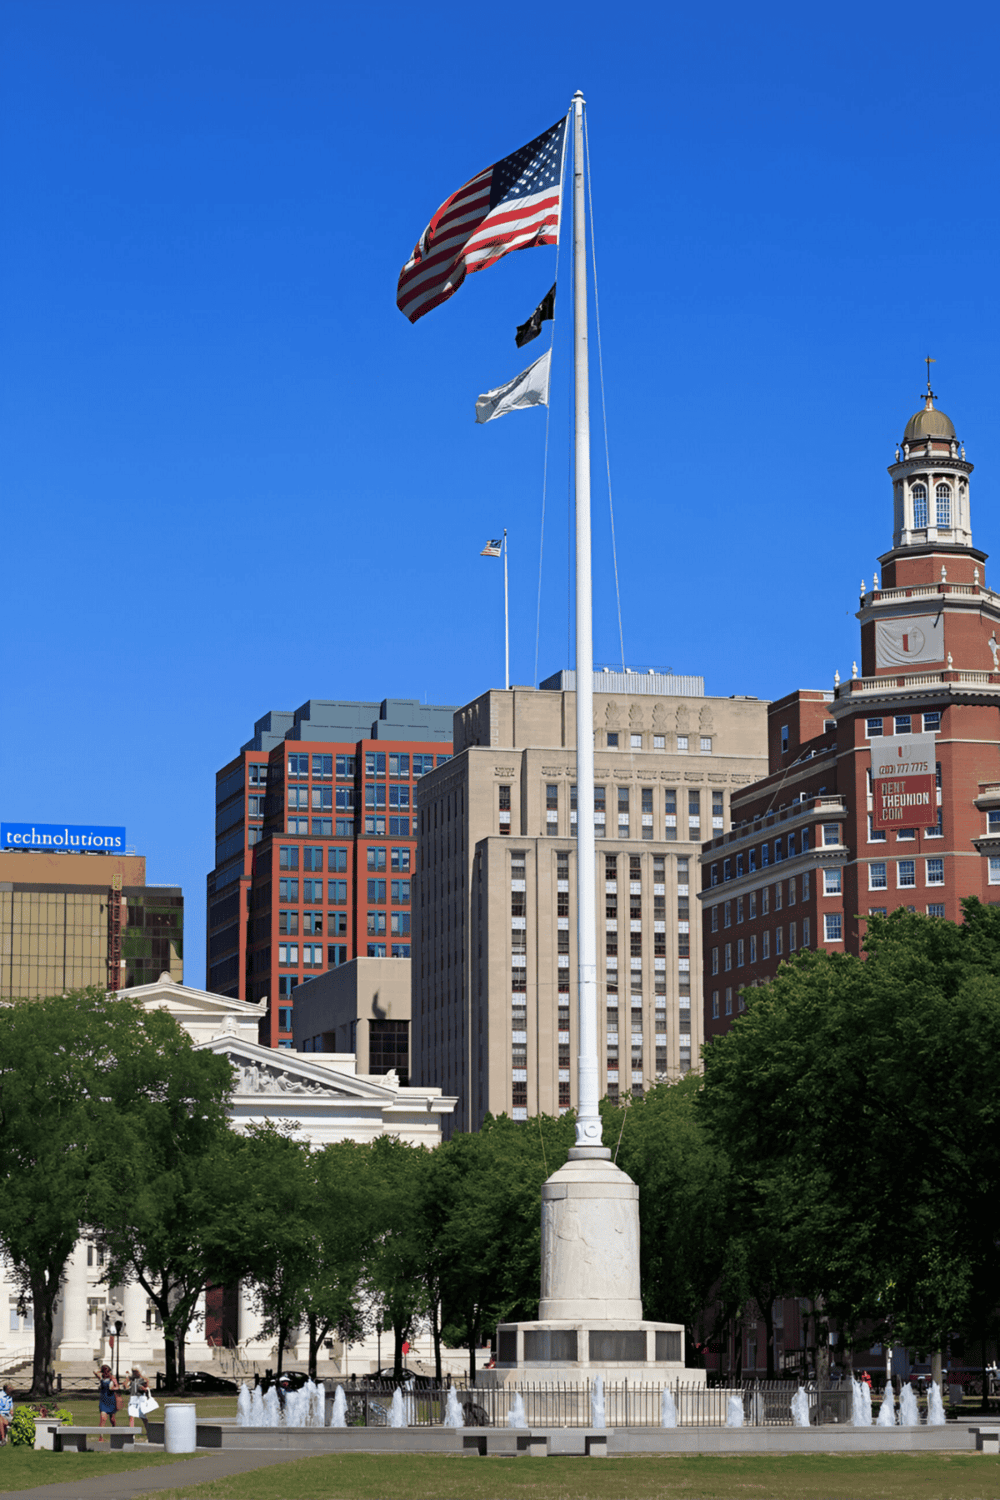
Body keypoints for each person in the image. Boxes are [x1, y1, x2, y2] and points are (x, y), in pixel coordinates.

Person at [94, 1363, 119, 1427]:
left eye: (108, 1371)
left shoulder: (112, 1378)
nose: (108, 1373)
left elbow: (117, 1387)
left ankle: (114, 1430)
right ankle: (101, 1436)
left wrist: (113, 1388)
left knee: (112, 1419)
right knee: (103, 1418)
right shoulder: (101, 1378)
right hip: (103, 1400)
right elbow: (94, 1371)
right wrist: (100, 1371)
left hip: (111, 1399)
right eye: (106, 1371)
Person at [126, 1367, 150, 1431]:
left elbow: (146, 1387)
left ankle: (149, 1431)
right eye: (133, 1371)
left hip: (141, 1399)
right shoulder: (132, 1379)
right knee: (131, 1416)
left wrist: (142, 1388)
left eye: (135, 1371)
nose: (134, 1373)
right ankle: (131, 1433)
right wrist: (127, 1380)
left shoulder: (143, 1379)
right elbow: (126, 1386)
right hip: (133, 1398)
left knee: (143, 1417)